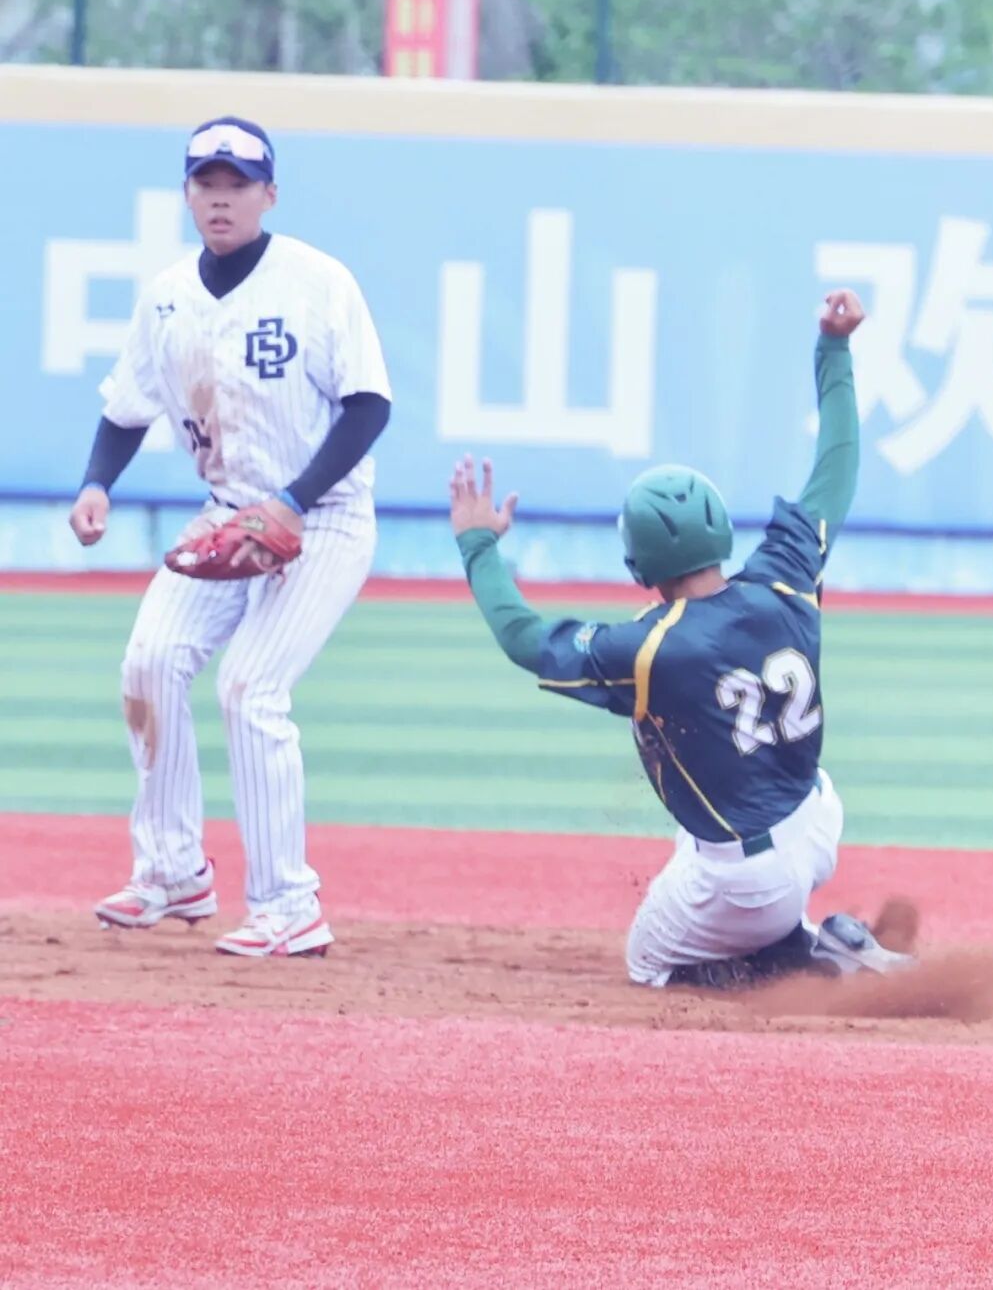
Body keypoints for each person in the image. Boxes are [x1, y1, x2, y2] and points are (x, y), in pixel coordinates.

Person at [448, 288, 912, 989]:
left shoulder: (648, 649)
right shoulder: (784, 576)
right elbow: (836, 468)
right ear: (719, 528)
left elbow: (524, 640)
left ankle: (812, 964)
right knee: (701, 836)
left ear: (639, 566)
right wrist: (834, 348)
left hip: (749, 880)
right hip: (818, 822)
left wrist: (479, 546)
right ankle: (811, 937)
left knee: (650, 963)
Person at [69, 116, 391, 958]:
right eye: (206, 182)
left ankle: (289, 904)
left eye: (238, 183)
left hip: (324, 517)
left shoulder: (318, 283)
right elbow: (126, 407)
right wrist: (97, 483)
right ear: (187, 194)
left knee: (250, 688)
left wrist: (293, 502)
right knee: (148, 662)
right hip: (228, 512)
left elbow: (369, 407)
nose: (221, 198)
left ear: (268, 194)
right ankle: (173, 871)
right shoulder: (168, 297)